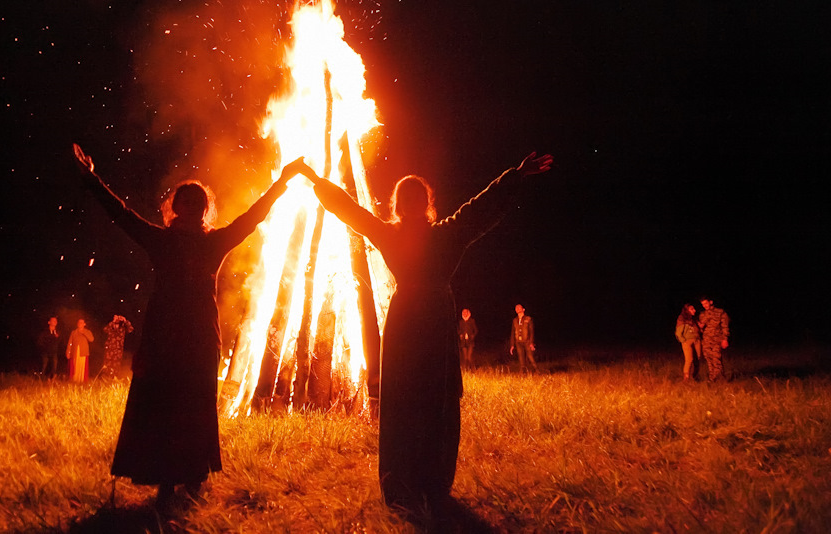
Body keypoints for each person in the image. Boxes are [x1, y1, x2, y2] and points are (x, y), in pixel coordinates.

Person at [295, 151, 553, 513]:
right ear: (427, 205)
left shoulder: (389, 234)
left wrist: (312, 177)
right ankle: (433, 479)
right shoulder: (448, 234)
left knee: (401, 400)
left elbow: (348, 209)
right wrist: (516, 175)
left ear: (398, 207)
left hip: (404, 323)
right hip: (432, 319)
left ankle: (399, 479)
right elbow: (483, 207)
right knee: (437, 400)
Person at [73, 143, 302, 508]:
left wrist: (283, 181)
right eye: (187, 201)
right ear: (176, 207)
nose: (192, 207)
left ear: (203, 208)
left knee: (195, 402)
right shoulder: (162, 239)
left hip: (196, 335)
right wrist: (92, 179)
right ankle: (167, 478)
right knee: (166, 403)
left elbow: (253, 217)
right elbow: (122, 214)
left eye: (197, 202)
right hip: (168, 333)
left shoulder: (213, 242)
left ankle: (192, 474)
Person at [698, 297, 730, 382]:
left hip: (717, 339)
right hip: (706, 340)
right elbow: (701, 329)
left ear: (711, 302)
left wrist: (725, 339)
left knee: (716, 359)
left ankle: (720, 378)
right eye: (703, 304)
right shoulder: (702, 314)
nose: (704, 306)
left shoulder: (720, 312)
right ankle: (712, 378)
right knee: (709, 359)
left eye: (706, 303)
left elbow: (725, 327)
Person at [674, 304, 702, 381]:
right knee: (689, 359)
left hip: (696, 340)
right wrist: (683, 340)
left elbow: (698, 330)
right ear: (687, 310)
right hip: (687, 341)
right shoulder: (682, 318)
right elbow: (678, 332)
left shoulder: (694, 319)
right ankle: (686, 378)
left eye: (694, 309)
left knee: (698, 359)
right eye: (692, 309)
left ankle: (695, 377)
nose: (694, 310)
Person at [510, 303, 538, 374]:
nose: (517, 309)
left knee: (530, 357)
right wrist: (512, 345)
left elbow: (532, 332)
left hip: (527, 341)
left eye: (519, 307)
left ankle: (537, 370)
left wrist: (531, 343)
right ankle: (523, 372)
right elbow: (512, 333)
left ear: (523, 309)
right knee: (521, 358)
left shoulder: (528, 319)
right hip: (518, 342)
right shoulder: (515, 320)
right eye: (516, 308)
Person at [67, 318, 95, 383]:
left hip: (83, 352)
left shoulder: (87, 331)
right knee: (75, 366)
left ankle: (82, 380)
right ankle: (75, 380)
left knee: (82, 366)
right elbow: (70, 342)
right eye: (79, 322)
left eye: (82, 323)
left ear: (84, 324)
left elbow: (91, 339)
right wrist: (68, 352)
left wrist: (84, 333)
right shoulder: (74, 332)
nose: (80, 324)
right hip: (75, 352)